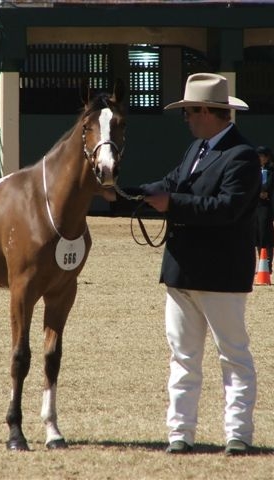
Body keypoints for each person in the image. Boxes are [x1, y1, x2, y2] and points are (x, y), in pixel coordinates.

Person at [104, 73, 260, 456]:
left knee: (233, 357)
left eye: (189, 111)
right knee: (183, 357)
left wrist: (172, 204)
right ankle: (180, 433)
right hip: (181, 270)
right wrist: (122, 194)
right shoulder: (197, 149)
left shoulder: (242, 155)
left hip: (221, 274)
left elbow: (227, 208)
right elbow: (168, 184)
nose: (186, 118)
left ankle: (237, 435)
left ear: (207, 111)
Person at [255, 146, 274, 273]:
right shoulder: (253, 170)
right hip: (255, 205)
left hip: (266, 206)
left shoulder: (271, 171)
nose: (259, 158)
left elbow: (269, 186)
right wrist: (258, 192)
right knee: (257, 234)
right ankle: (261, 263)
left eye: (262, 156)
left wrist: (262, 191)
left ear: (267, 157)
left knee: (266, 233)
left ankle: (268, 263)